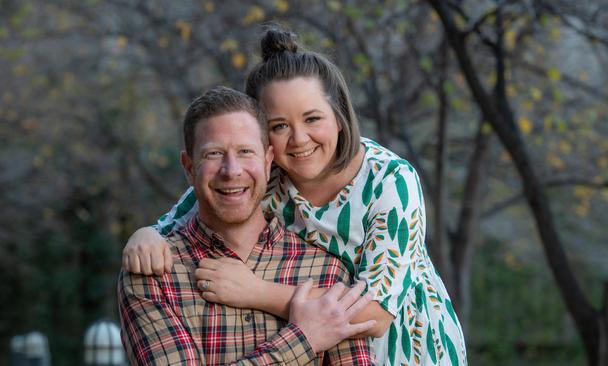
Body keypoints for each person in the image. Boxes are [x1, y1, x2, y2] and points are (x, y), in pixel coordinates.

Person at [123, 28, 467, 365]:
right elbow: (175, 222)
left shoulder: (389, 180)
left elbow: (375, 315)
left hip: (407, 345)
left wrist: (255, 291)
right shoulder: (262, 177)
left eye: (312, 118)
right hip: (325, 345)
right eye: (279, 126)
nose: (299, 139)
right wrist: (144, 237)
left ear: (339, 116)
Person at [118, 86, 376, 365]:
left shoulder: (326, 272)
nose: (232, 171)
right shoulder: (154, 275)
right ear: (189, 167)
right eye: (214, 154)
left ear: (268, 162)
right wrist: (304, 339)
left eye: (245, 151)